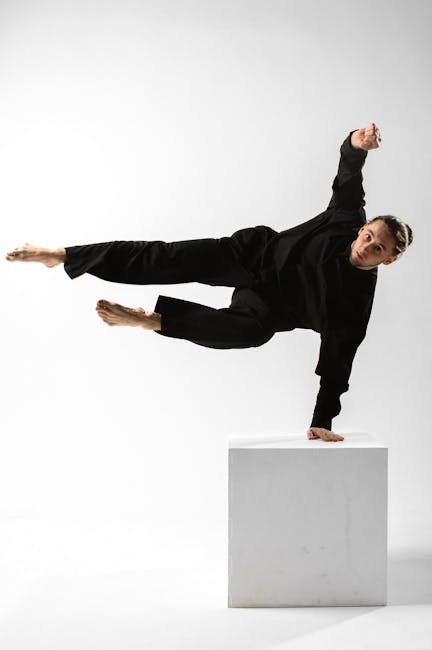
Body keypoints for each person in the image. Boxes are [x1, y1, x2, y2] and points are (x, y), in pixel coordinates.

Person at [6, 123, 413, 443]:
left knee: (252, 333)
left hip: (267, 305)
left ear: (389, 260)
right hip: (253, 255)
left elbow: (338, 365)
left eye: (378, 248)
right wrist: (356, 144)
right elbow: (348, 172)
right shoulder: (345, 217)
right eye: (368, 236)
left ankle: (153, 320)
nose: (366, 247)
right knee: (166, 258)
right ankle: (63, 255)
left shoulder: (354, 305)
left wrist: (322, 420)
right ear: (362, 228)